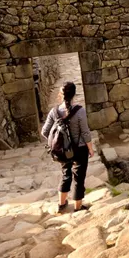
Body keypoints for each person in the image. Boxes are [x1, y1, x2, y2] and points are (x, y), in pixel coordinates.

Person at [41, 81, 94, 212]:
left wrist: (57, 142)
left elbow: (44, 132)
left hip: (62, 151)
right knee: (79, 178)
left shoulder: (54, 112)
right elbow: (85, 132)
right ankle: (78, 207)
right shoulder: (80, 111)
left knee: (66, 174)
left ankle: (61, 204)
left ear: (61, 94)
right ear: (74, 94)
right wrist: (90, 149)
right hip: (80, 149)